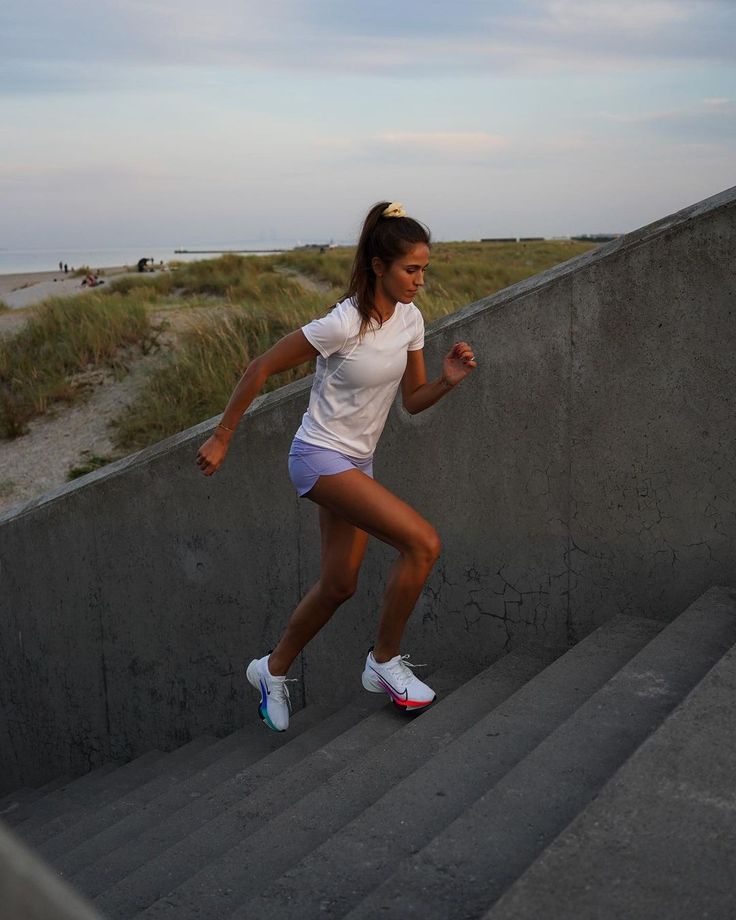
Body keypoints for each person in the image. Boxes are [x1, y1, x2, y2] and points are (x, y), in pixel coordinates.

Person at [196, 201, 477, 732]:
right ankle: (384, 662)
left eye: (424, 269)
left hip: (357, 462)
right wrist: (222, 435)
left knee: (339, 585)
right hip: (318, 458)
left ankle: (270, 670)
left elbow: (411, 401)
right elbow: (261, 367)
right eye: (410, 269)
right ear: (378, 266)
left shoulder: (411, 320)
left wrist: (446, 380)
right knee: (422, 543)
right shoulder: (343, 323)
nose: (420, 280)